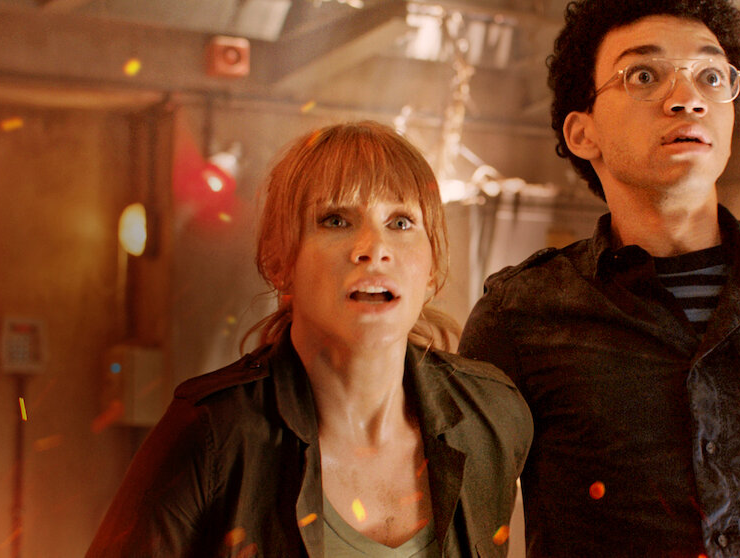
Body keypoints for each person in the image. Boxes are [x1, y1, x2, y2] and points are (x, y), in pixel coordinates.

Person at [86, 121, 532, 558]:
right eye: (336, 220)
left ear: (432, 268)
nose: (374, 248)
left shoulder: (492, 417)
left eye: (400, 222)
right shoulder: (212, 433)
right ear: (279, 262)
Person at [459, 0, 740, 556]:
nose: (687, 99)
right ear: (582, 133)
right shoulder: (519, 317)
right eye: (643, 75)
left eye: (711, 77)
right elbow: (463, 529)